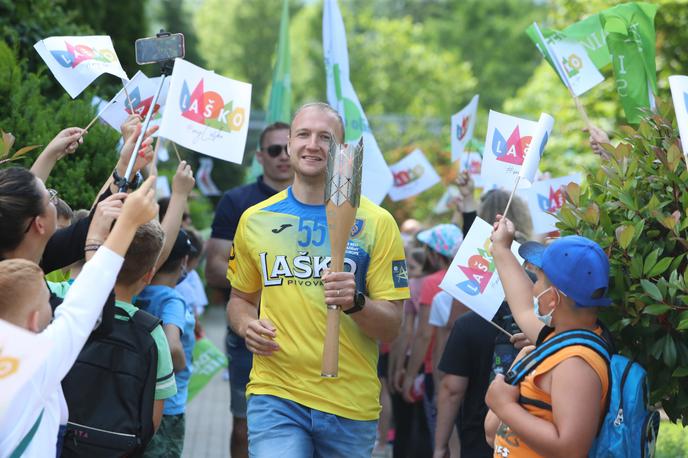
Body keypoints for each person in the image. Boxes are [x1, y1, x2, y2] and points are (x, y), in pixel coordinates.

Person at [227, 102, 410, 456]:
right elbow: (240, 299)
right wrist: (245, 325)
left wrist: (355, 303)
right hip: (276, 393)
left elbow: (391, 327)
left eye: (325, 137)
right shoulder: (255, 219)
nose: (312, 144)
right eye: (303, 135)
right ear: (291, 143)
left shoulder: (377, 222)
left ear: (342, 150)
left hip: (348, 404)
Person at [0, 175, 158, 457]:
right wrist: (124, 226)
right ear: (35, 321)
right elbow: (81, 308)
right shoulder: (35, 364)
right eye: (49, 301)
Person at [484, 216, 612, 457]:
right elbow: (522, 306)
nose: (533, 288)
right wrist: (501, 248)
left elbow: (571, 448)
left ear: (553, 299)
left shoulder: (576, 363)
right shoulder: (559, 340)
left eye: (539, 280)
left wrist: (504, 406)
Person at [205, 121, 293, 458]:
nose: (284, 156)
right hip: (250, 331)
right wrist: (262, 277)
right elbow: (213, 269)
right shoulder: (237, 201)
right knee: (245, 427)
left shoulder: (322, 202)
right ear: (260, 156)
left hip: (309, 334)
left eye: (288, 148)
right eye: (274, 150)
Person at [401, 224, 464, 442]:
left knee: (439, 436)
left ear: (436, 254)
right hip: (466, 367)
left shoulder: (432, 282)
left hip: (436, 368)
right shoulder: (469, 279)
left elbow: (424, 334)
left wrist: (410, 375)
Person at [138, 230, 196, 458]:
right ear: (184, 260)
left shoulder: (138, 292)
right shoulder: (172, 299)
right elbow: (173, 348)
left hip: (136, 401)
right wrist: (181, 366)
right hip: (168, 406)